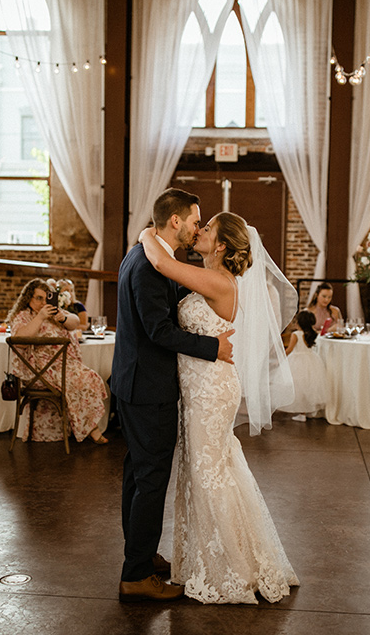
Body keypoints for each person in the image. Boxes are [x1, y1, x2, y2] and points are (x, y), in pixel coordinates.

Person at [139, 209, 300, 605]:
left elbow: (160, 261)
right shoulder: (211, 279)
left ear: (222, 244)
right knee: (212, 470)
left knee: (209, 474)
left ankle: (232, 568)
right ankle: (228, 556)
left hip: (211, 391)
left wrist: (147, 232)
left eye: (206, 228)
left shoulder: (218, 280)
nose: (199, 231)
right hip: (199, 389)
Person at [111, 188, 234, 603]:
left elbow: (169, 305)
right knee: (150, 480)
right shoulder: (148, 264)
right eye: (195, 220)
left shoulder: (148, 255)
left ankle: (140, 555)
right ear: (176, 221)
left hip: (134, 382)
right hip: (148, 388)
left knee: (137, 474)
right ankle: (136, 574)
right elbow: (158, 331)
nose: (198, 227)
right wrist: (212, 347)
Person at [7, 278, 108, 444]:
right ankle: (92, 429)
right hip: (39, 370)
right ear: (28, 299)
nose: (42, 302)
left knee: (91, 377)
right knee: (81, 380)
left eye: (45, 298)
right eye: (38, 298)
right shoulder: (24, 316)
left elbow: (75, 322)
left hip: (65, 365)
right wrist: (40, 317)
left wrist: (62, 318)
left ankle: (87, 426)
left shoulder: (55, 313)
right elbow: (18, 339)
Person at [278, 310, 327, 421]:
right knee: (308, 386)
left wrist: (280, 357)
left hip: (297, 361)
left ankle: (302, 413)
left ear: (299, 323)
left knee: (299, 387)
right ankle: (306, 411)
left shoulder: (296, 334)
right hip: (311, 360)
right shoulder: (311, 334)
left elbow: (289, 349)